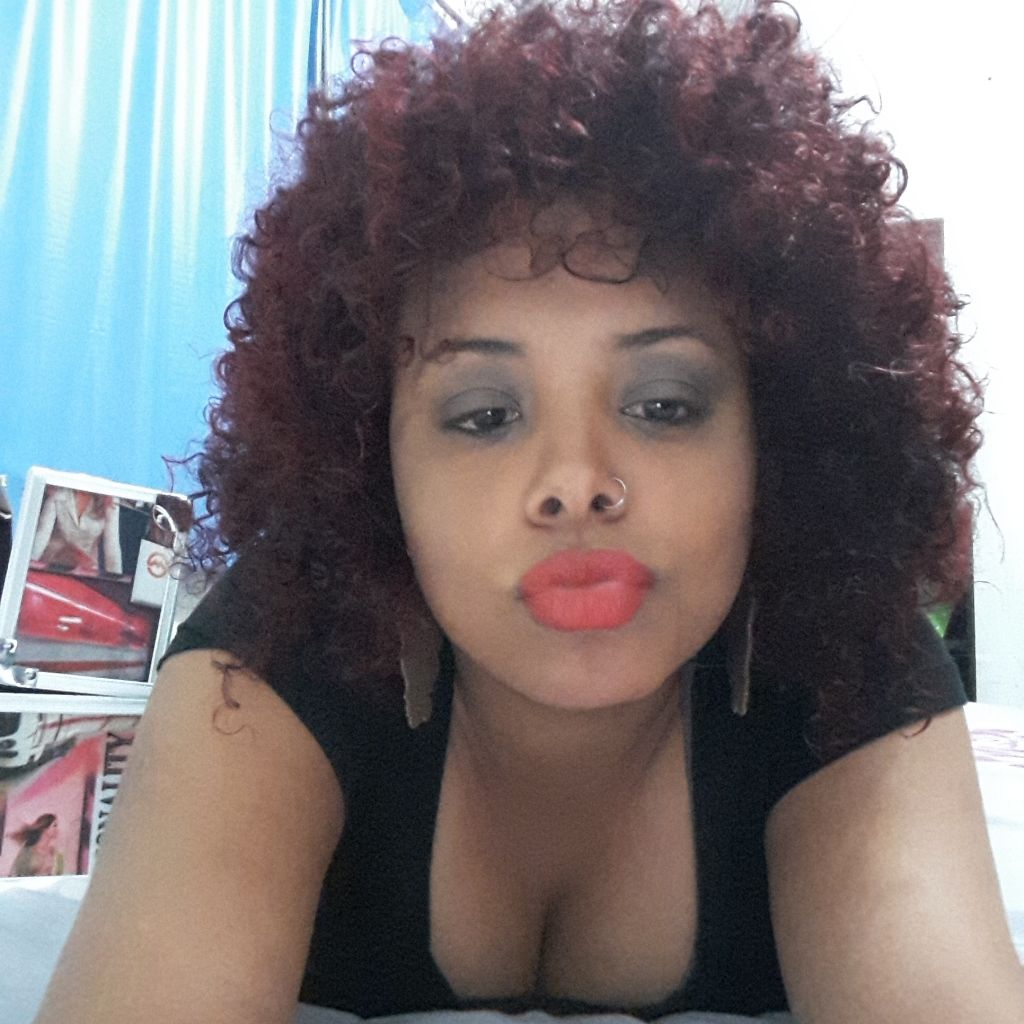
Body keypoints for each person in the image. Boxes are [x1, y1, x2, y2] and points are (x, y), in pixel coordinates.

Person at [34, 2, 1024, 1022]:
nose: (575, 480)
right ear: (373, 457)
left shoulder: (848, 668)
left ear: (775, 437)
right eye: (484, 415)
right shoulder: (278, 653)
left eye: (663, 405)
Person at [30, 487, 123, 576]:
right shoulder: (59, 492)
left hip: (85, 570)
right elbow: (41, 535)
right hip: (52, 562)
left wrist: (115, 580)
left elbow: (112, 549)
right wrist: (29, 564)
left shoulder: (110, 500)